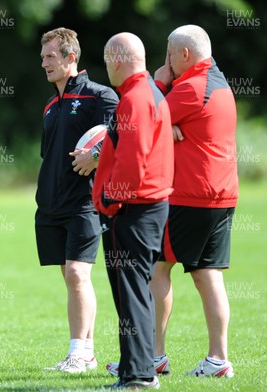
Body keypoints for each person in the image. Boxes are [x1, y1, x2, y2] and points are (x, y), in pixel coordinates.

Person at [149, 24, 238, 378]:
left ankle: (152, 356)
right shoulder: (219, 83)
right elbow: (162, 123)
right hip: (222, 194)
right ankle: (218, 359)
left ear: (184, 54)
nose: (167, 61)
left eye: (169, 54)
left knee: (157, 267)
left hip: (189, 196)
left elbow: (142, 119)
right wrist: (167, 128)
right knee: (207, 274)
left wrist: (158, 82)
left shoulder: (190, 87)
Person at [92, 32, 174, 390]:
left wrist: (111, 200)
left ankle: (139, 375)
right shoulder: (147, 93)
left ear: (120, 59)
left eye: (109, 59)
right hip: (146, 207)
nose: (107, 66)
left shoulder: (136, 98)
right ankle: (135, 368)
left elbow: (133, 157)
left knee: (131, 293)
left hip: (134, 210)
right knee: (135, 290)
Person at [36, 27, 118, 374]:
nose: (44, 64)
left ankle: (81, 353)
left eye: (51, 57)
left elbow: (124, 131)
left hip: (84, 204)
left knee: (77, 274)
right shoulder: (51, 105)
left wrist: (97, 154)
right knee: (70, 277)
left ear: (72, 58)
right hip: (51, 206)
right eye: (42, 58)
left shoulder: (100, 96)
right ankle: (84, 351)